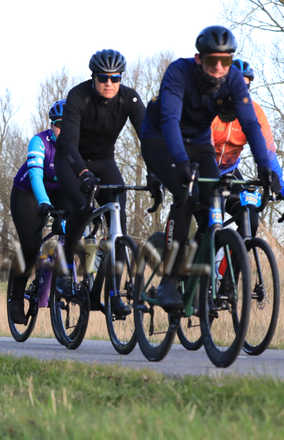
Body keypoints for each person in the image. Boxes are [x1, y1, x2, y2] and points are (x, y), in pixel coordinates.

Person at [141, 26, 275, 310]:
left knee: (212, 202)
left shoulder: (233, 79)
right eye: (212, 60)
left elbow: (251, 124)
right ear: (198, 58)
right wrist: (180, 161)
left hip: (199, 141)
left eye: (225, 61)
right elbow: (169, 120)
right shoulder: (179, 73)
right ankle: (169, 280)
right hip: (161, 139)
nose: (218, 67)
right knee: (185, 194)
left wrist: (267, 169)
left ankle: (198, 274)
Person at [54, 49, 145, 313]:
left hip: (105, 161)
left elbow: (149, 138)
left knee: (119, 223)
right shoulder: (78, 96)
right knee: (81, 208)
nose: (109, 83)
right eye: (103, 78)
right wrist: (82, 173)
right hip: (72, 160)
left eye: (115, 78)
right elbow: (68, 144)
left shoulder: (129, 98)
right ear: (93, 77)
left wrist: (156, 173)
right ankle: (65, 268)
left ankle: (114, 293)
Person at [8, 100, 68, 324]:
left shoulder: (80, 144)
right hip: (29, 193)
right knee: (31, 246)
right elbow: (35, 175)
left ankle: (58, 279)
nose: (63, 130)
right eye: (59, 125)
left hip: (59, 191)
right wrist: (44, 202)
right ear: (52, 125)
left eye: (68, 125)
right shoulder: (40, 142)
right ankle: (15, 298)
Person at [211, 58, 284, 237]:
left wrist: (280, 186)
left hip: (229, 171)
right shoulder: (212, 107)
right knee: (209, 221)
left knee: (250, 218)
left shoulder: (255, 111)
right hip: (203, 169)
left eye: (246, 85)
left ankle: (237, 254)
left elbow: (267, 151)